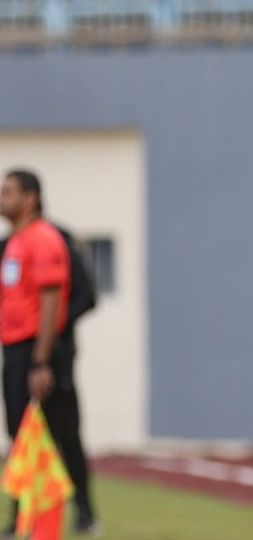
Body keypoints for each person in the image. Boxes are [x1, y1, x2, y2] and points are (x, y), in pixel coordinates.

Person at [0, 169, 100, 535]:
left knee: (63, 432)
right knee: (21, 434)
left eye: (8, 191)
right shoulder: (11, 243)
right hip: (15, 350)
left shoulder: (45, 239)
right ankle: (23, 516)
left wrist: (42, 359)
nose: (1, 197)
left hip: (43, 351)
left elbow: (55, 300)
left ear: (31, 198)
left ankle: (84, 512)